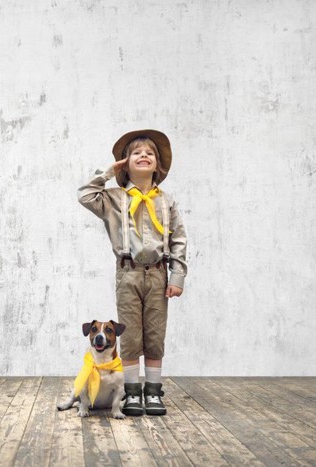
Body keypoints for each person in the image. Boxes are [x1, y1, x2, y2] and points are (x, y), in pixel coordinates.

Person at [77, 129, 187, 416]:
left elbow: (178, 239)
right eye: (136, 153)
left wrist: (177, 276)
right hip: (128, 273)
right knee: (131, 335)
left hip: (158, 275)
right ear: (125, 163)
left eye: (149, 153)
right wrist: (107, 172)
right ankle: (131, 392)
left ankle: (153, 392)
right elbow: (85, 195)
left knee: (154, 334)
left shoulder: (167, 201)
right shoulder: (113, 199)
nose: (143, 156)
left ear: (158, 165)